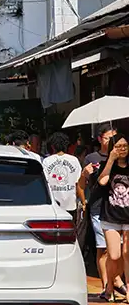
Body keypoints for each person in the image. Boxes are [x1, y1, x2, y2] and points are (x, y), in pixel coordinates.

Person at [81, 123, 125, 300]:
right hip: (99, 206)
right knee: (104, 249)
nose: (112, 141)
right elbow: (84, 183)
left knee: (121, 250)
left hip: (118, 209)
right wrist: (85, 175)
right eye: (108, 138)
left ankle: (114, 283)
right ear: (100, 139)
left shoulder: (123, 158)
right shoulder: (92, 157)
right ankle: (108, 286)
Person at [98, 133, 129, 302]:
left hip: (128, 217)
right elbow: (102, 182)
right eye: (118, 146)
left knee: (127, 253)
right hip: (110, 216)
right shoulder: (106, 165)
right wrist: (111, 159)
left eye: (125, 146)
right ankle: (109, 286)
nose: (122, 149)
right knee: (115, 255)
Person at [42, 132, 83, 220]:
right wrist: (83, 201)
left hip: (53, 204)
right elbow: (79, 183)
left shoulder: (47, 161)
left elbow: (45, 182)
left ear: (52, 146)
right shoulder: (74, 160)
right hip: (70, 204)